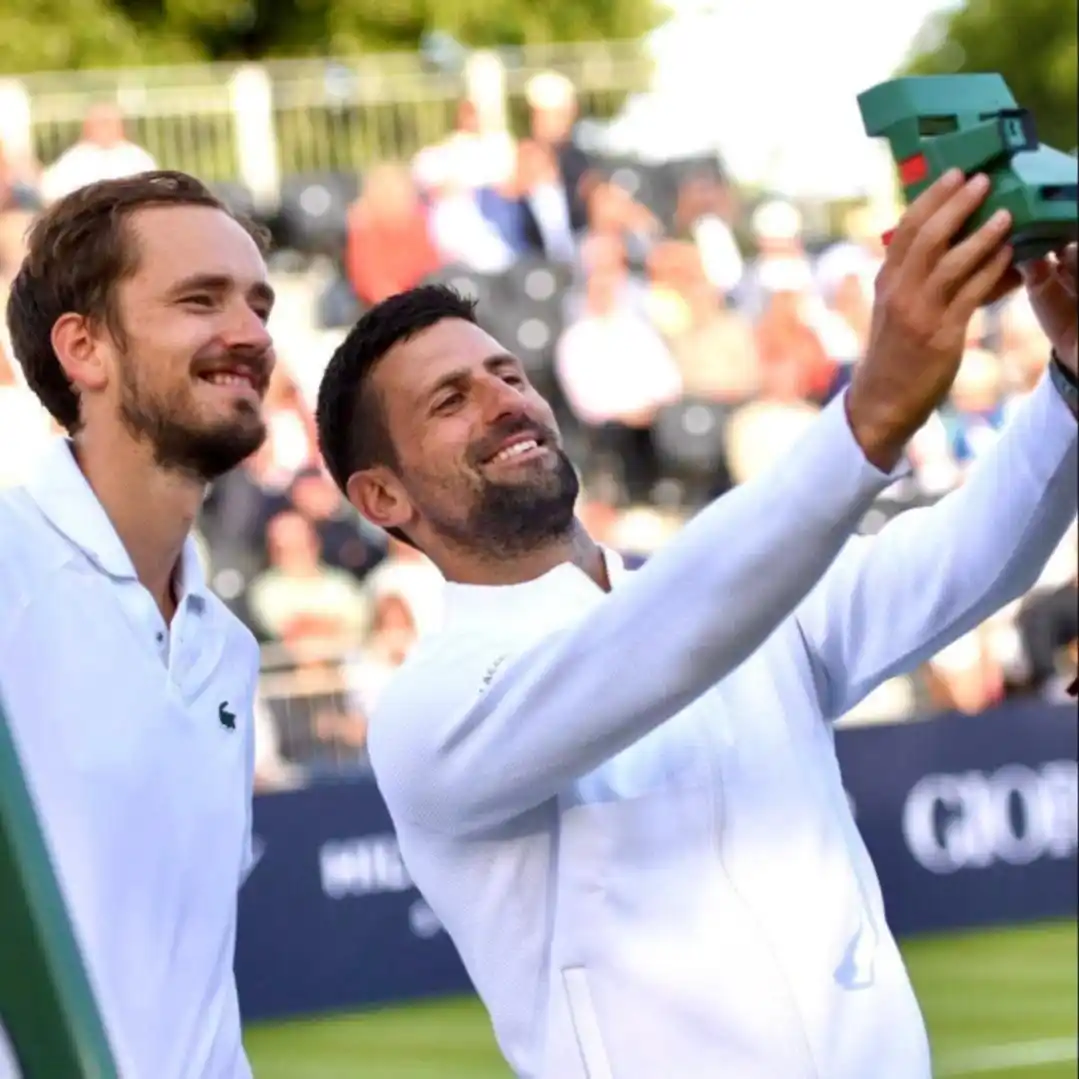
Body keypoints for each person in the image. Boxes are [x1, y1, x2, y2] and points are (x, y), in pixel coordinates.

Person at [314, 171, 1079, 1079]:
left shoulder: (733, 596)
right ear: (380, 494)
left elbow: (963, 555)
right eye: (450, 400)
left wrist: (1068, 376)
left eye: (507, 373)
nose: (503, 401)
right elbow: (648, 649)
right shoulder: (429, 709)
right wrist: (867, 413)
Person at [0, 171, 276, 1078]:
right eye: (200, 299)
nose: (249, 333)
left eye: (258, 304)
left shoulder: (226, 648)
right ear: (83, 347)